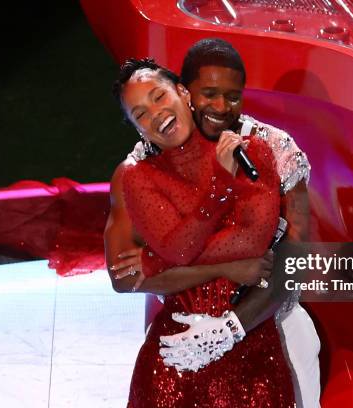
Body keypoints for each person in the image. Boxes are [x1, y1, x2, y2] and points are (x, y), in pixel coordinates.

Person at [105, 39, 320, 406]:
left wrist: (233, 326)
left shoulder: (271, 148)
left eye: (159, 97)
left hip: (274, 323)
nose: (217, 107)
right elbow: (124, 276)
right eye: (140, 113)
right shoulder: (139, 168)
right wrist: (230, 268)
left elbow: (295, 258)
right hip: (183, 335)